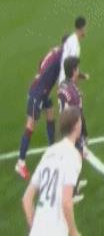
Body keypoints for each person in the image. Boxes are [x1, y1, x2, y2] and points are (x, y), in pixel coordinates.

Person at [22, 106, 83, 236]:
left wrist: (35, 228)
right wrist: (74, 232)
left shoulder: (49, 152)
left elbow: (27, 199)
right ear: (76, 125)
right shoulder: (73, 155)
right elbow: (66, 202)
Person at [15, 35, 68, 181]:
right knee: (30, 126)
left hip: (43, 92)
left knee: (50, 115)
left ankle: (52, 151)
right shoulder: (61, 57)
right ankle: (20, 163)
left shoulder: (56, 50)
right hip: (37, 94)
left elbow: (41, 62)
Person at [58, 56, 89, 202]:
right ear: (73, 71)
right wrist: (84, 133)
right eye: (77, 69)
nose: (78, 71)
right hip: (72, 128)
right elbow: (78, 114)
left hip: (65, 125)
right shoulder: (73, 91)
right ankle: (71, 193)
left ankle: (75, 184)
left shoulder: (64, 85)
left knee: (74, 158)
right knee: (76, 159)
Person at [59, 17, 89, 84]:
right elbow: (70, 65)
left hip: (64, 81)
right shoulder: (74, 44)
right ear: (82, 28)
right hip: (67, 82)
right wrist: (82, 76)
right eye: (85, 28)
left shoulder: (72, 39)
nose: (86, 30)